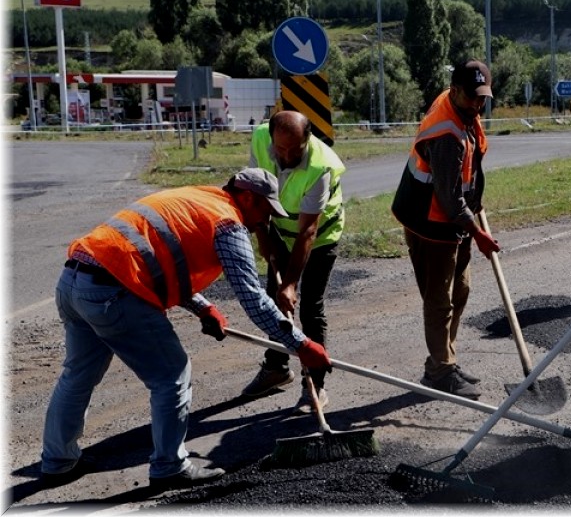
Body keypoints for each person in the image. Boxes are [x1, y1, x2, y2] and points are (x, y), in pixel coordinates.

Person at [41, 168, 333, 491]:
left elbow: (163, 259)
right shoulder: (228, 223)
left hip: (75, 280)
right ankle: (169, 466)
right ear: (248, 197)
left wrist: (203, 307)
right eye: (265, 210)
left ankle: (57, 461)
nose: (263, 222)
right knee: (172, 375)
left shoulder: (201, 199)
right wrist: (300, 344)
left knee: (77, 374)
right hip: (115, 290)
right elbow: (253, 299)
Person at [391, 60, 500, 400]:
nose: (478, 104)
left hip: (454, 219)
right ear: (454, 91)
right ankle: (440, 370)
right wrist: (478, 233)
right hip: (430, 222)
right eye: (472, 98)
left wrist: (475, 209)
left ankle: (444, 360)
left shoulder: (463, 111)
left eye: (483, 98)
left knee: (461, 291)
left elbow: (468, 176)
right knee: (439, 300)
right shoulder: (446, 135)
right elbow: (450, 199)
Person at [241, 111, 346, 414]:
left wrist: (291, 283)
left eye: (294, 150)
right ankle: (276, 368)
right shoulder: (261, 138)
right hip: (279, 228)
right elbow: (254, 191)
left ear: (308, 139)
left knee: (310, 306)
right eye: (281, 149)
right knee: (274, 301)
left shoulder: (320, 165)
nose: (286, 156)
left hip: (320, 235)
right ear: (272, 137)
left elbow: (309, 231)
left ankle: (315, 383)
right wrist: (262, 233)